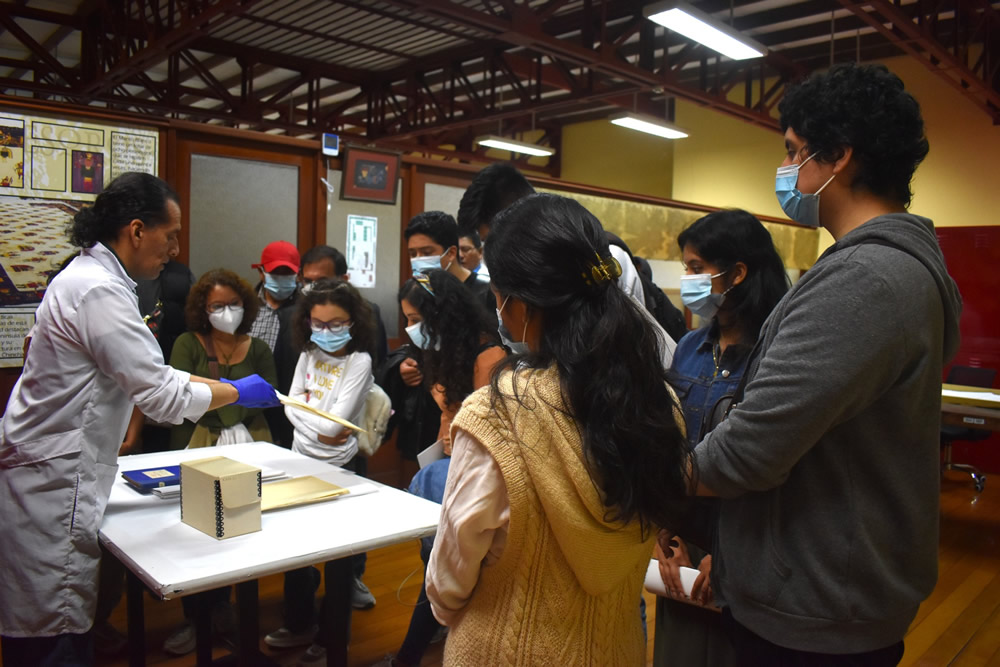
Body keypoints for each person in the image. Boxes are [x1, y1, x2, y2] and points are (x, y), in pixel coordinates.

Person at [683, 63, 962, 664]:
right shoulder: (889, 268)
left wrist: (648, 476)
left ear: (837, 157)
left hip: (817, 607)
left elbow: (748, 453)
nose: (786, 171)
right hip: (827, 588)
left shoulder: (864, 280)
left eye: (793, 152)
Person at [0, 172, 278, 667]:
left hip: (49, 468)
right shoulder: (98, 290)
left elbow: (144, 378)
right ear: (136, 230)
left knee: (48, 622)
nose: (174, 249)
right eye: (170, 235)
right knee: (53, 634)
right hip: (52, 481)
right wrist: (237, 389)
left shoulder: (90, 280)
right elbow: (161, 396)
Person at [425, 193, 691, 664]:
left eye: (497, 295)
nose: (496, 308)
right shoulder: (658, 403)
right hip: (616, 648)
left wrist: (450, 612)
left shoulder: (496, 416)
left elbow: (450, 576)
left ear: (523, 305)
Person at [653, 209, 789, 667]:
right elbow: (668, 444)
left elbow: (765, 462)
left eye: (695, 268)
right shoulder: (691, 346)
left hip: (743, 554)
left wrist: (726, 555)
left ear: (738, 273)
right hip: (680, 550)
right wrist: (663, 533)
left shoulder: (776, 353)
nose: (686, 277)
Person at [377, 269, 506, 667]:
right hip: (449, 466)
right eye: (407, 320)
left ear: (442, 315)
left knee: (453, 566)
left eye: (416, 320)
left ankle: (412, 655)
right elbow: (447, 417)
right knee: (438, 563)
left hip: (476, 476)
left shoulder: (489, 358)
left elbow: (493, 436)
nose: (410, 329)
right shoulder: (445, 351)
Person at [265, 278, 377, 665]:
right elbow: (289, 405)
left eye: (336, 323)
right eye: (318, 323)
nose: (326, 332)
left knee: (338, 561)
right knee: (296, 552)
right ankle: (298, 625)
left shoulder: (359, 361)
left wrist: (307, 417)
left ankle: (333, 641)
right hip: (300, 461)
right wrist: (315, 421)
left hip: (340, 467)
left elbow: (332, 427)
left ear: (353, 322)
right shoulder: (309, 352)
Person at [169, 269, 277, 448]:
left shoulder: (259, 348)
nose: (228, 312)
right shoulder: (187, 344)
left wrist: (219, 400)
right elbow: (180, 392)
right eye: (218, 306)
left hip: (253, 438)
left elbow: (270, 395)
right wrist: (240, 397)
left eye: (234, 303)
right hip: (195, 438)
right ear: (203, 309)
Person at [298, 244, 388, 367]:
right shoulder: (292, 314)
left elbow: (379, 363)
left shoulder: (368, 313)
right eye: (308, 281)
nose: (314, 288)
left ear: (343, 280)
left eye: (322, 281)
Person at [249, 240, 300, 448]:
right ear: (261, 272)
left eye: (287, 275)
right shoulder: (246, 307)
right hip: (253, 404)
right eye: (276, 274)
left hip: (292, 402)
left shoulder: (307, 311)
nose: (281, 280)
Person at [405, 210, 492, 311]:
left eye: (427, 253)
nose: (419, 259)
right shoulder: (418, 292)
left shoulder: (486, 293)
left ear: (451, 253)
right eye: (413, 254)